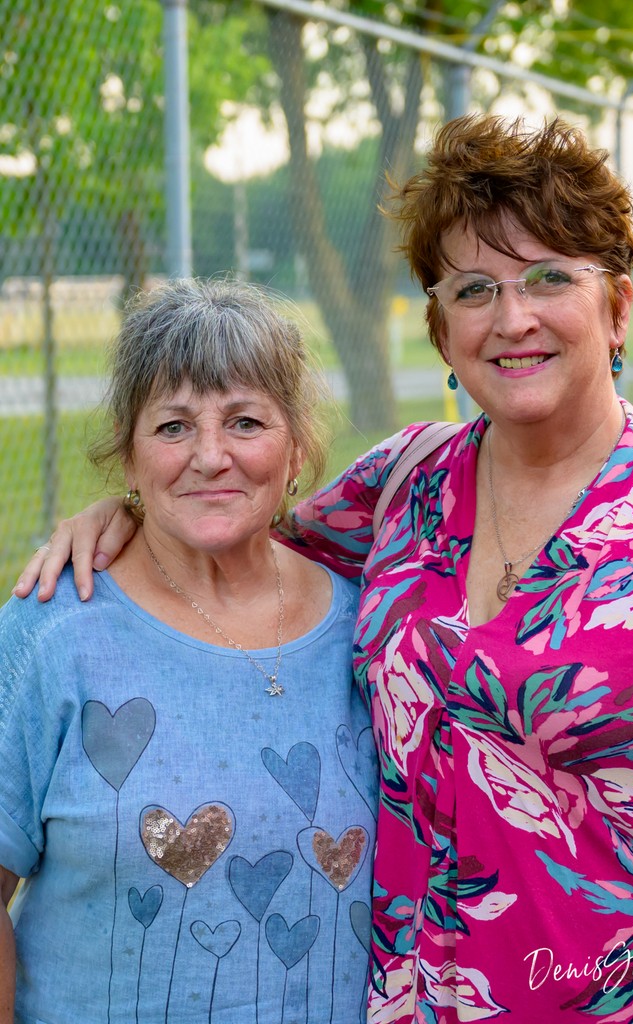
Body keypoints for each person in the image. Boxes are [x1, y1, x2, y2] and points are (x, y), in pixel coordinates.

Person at [14, 114, 633, 1022]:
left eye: (549, 277)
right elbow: (236, 528)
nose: (513, 318)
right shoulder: (403, 486)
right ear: (442, 333)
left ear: (617, 308)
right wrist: (129, 513)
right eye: (474, 289)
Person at [0, 278, 376, 1024]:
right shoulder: (51, 634)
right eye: (172, 427)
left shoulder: (370, 625)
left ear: (298, 445)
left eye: (245, 422)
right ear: (128, 455)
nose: (210, 456)